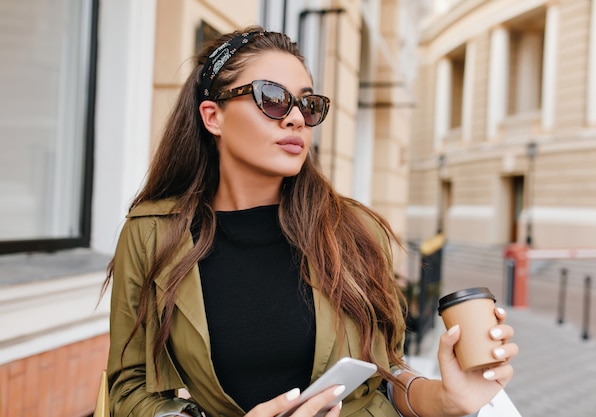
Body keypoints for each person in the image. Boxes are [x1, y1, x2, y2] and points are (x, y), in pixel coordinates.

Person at [104, 26, 518, 417]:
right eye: (272, 98)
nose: (296, 118)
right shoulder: (152, 233)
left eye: (307, 103)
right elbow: (129, 385)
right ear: (213, 117)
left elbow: (387, 375)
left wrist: (447, 399)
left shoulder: (354, 229)